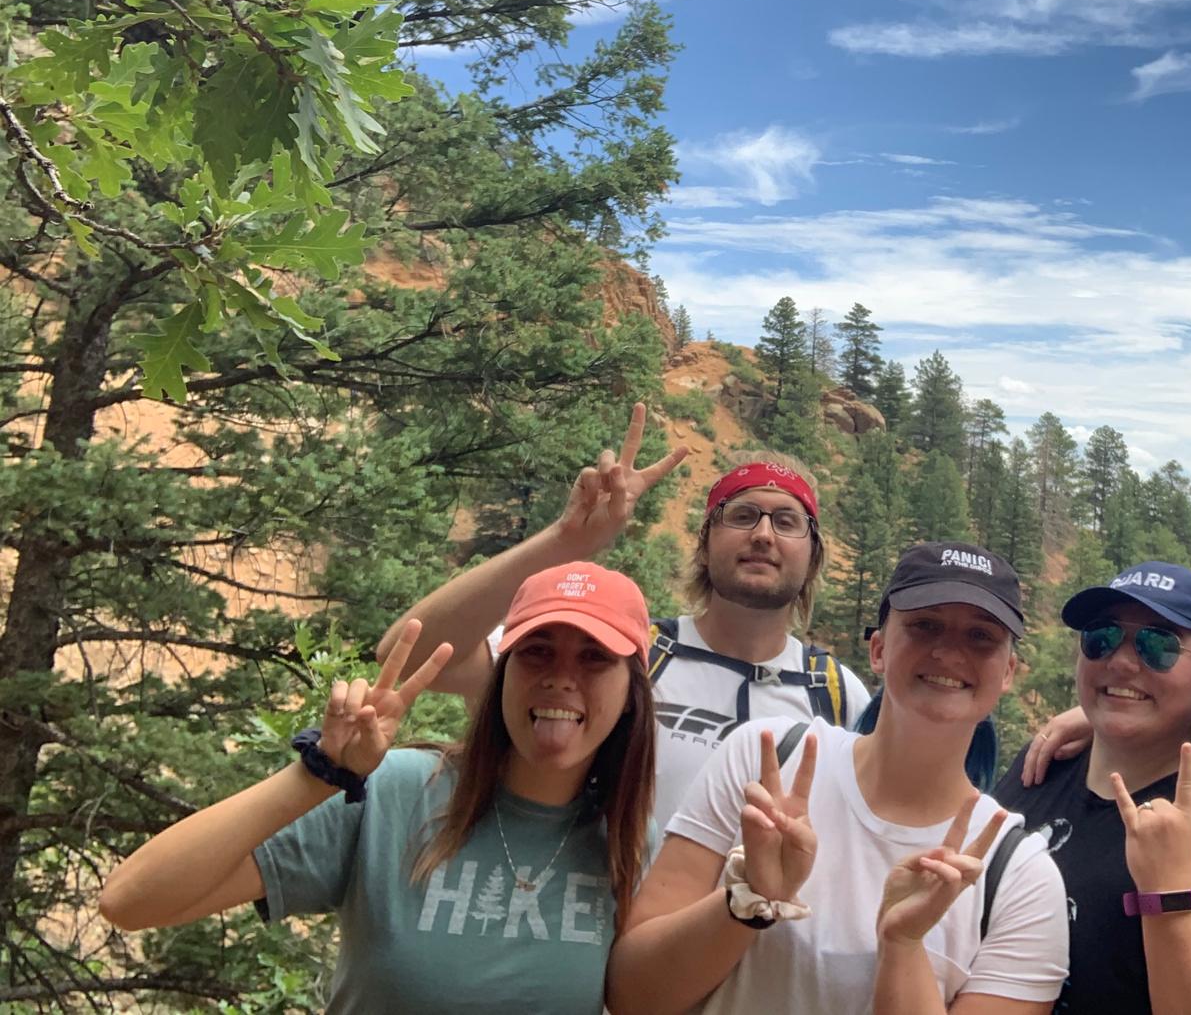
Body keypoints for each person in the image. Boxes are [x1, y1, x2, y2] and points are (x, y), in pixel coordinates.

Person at [99, 562, 660, 1014]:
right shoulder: (395, 792)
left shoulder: (631, 841)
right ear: (501, 674)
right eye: (537, 650)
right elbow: (130, 899)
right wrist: (318, 774)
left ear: (631, 692)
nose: (561, 676)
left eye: (594, 658)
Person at [606, 541, 1070, 1015]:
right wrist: (748, 900)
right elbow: (632, 994)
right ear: (879, 649)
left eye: (981, 637)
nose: (950, 652)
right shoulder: (763, 762)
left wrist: (904, 943)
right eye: (925, 625)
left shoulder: (1020, 877)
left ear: (1008, 671)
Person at [380, 401, 871, 824]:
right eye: (741, 516)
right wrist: (567, 541)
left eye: (786, 521)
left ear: (814, 556)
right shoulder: (624, 651)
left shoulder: (835, 691)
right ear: (703, 546)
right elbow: (412, 654)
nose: (762, 534)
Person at [994, 563, 1191, 1015]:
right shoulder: (1037, 770)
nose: (1121, 661)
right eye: (1101, 637)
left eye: (1158, 645)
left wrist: (1169, 899)